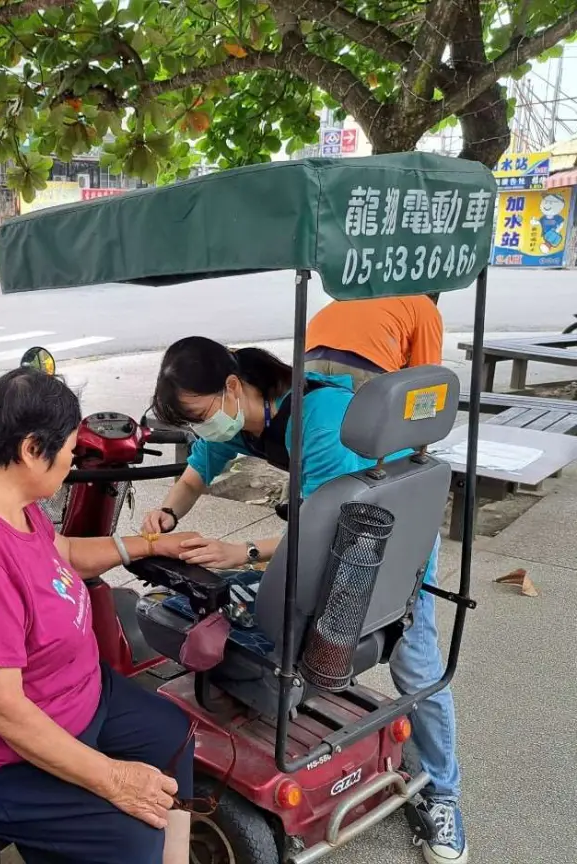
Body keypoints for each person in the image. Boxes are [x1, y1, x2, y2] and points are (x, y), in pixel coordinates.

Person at [142, 336, 466, 864]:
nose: (204, 427)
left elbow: (323, 528)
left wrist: (239, 551)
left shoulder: (319, 420)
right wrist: (168, 515)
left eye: (202, 414)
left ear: (230, 387)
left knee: (417, 665)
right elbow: (201, 465)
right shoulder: (243, 417)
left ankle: (445, 794)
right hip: (340, 540)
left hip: (391, 541)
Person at [0, 368, 195, 864]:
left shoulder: (9, 497)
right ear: (33, 448)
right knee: (131, 838)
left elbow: (64, 554)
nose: (75, 455)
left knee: (172, 738)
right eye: (71, 446)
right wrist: (113, 778)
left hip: (72, 694)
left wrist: (152, 544)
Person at [305, 294, 443, 389]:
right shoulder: (426, 306)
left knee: (319, 422)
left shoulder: (367, 292)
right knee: (370, 427)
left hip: (310, 359)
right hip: (366, 363)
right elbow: (425, 377)